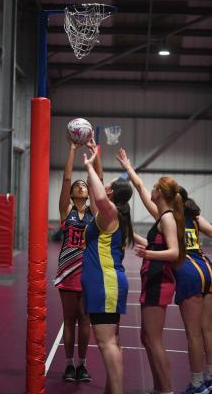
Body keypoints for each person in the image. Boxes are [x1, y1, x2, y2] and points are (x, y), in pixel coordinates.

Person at [116, 148, 185, 394]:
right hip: (152, 280)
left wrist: (149, 254)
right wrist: (128, 167)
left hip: (159, 283)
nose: (151, 190)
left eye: (156, 187)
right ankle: (159, 388)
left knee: (154, 341)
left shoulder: (166, 218)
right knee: (147, 338)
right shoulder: (162, 215)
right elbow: (141, 187)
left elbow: (174, 252)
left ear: (162, 194)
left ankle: (166, 390)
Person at [82, 147, 134, 394]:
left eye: (108, 185)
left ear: (112, 193)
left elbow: (101, 197)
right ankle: (111, 390)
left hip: (105, 283)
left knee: (106, 343)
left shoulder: (110, 212)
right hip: (108, 282)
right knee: (112, 342)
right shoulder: (110, 215)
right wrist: (96, 155)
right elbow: (97, 194)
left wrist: (89, 166)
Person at [54, 138, 102, 382]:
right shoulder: (66, 211)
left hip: (89, 272)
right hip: (67, 271)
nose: (83, 187)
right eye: (79, 185)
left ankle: (82, 365)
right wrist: (72, 149)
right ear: (73, 193)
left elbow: (99, 184)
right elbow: (65, 178)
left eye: (85, 185)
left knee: (86, 320)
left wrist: (96, 154)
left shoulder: (95, 213)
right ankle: (69, 365)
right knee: (69, 320)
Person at [174, 187, 212, 394]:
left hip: (189, 271)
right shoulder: (195, 216)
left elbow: (143, 193)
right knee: (208, 330)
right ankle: (210, 380)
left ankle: (197, 385)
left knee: (193, 333)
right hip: (207, 266)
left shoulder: (170, 217)